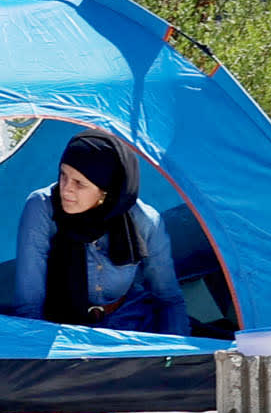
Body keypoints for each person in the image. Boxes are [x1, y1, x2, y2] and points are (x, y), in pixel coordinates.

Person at [12, 131, 189, 335]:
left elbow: (168, 299)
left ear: (105, 192)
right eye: (63, 175)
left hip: (130, 328)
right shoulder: (42, 207)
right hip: (60, 330)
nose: (66, 189)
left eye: (79, 183)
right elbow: (28, 306)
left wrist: (175, 355)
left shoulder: (144, 220)